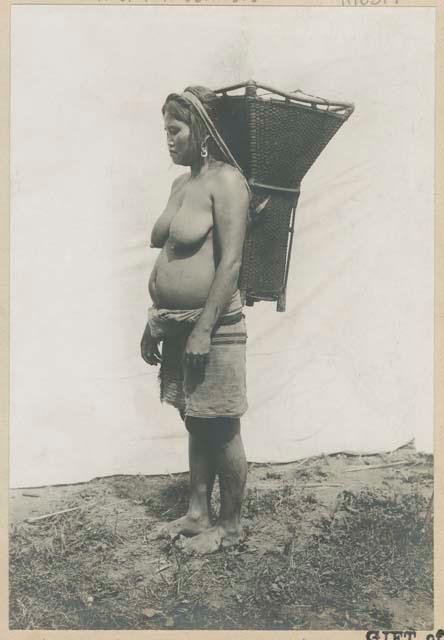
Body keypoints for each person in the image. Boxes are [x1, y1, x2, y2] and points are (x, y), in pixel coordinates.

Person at [140, 86, 250, 555]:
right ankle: (198, 510)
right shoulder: (180, 185)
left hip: (215, 325)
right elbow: (168, 253)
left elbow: (230, 265)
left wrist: (204, 328)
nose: (167, 139)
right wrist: (154, 321)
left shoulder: (226, 182)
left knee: (221, 423)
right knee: (194, 417)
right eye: (165, 130)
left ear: (200, 131)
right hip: (176, 323)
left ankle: (230, 525)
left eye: (175, 129)